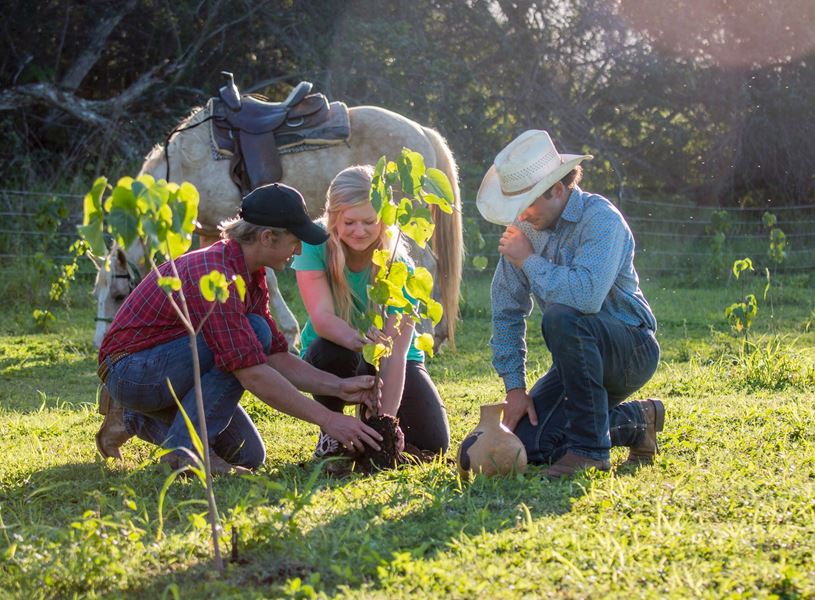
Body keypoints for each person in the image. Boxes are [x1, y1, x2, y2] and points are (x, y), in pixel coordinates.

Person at [95, 183, 383, 474]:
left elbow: (275, 356)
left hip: (167, 367)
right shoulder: (215, 273)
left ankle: (131, 417)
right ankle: (184, 452)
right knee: (254, 331)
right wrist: (329, 419)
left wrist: (339, 387)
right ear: (268, 237)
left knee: (247, 455)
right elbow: (252, 372)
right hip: (131, 370)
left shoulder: (251, 274)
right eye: (295, 241)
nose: (298, 250)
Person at [476, 130, 663, 477]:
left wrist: (529, 260)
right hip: (576, 360)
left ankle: (591, 452)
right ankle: (638, 421)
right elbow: (505, 311)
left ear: (558, 189)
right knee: (532, 446)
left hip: (629, 350)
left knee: (563, 316)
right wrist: (515, 389)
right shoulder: (524, 230)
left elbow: (585, 296)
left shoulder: (601, 219)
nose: (521, 215)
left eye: (528, 203)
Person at [292, 165, 450, 458]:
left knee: (433, 442)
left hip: (390, 357)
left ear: (384, 220)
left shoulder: (399, 266)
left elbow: (396, 352)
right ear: (333, 218)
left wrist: (385, 424)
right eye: (350, 222)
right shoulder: (314, 246)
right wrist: (364, 342)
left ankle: (369, 419)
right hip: (335, 349)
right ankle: (333, 433)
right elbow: (323, 319)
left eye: (370, 221)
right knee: (331, 352)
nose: (360, 231)